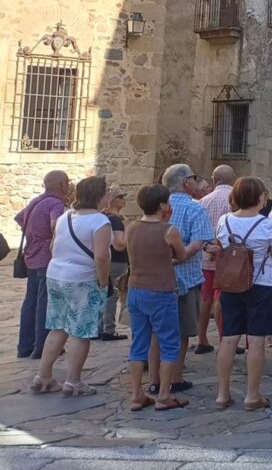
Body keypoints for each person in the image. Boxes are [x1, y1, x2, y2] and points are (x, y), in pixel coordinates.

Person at [29, 176, 114, 397]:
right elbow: (102, 256)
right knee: (81, 332)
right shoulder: (100, 222)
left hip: (56, 274)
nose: (110, 195)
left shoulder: (65, 216)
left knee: (57, 327)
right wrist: (104, 281)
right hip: (82, 278)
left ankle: (43, 376)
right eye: (107, 191)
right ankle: (73, 381)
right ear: (99, 195)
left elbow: (53, 244)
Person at [214, 177, 272, 410]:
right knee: (256, 341)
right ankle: (252, 395)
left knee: (228, 338)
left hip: (230, 284)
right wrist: (265, 272)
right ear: (260, 198)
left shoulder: (224, 221)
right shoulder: (267, 225)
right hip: (260, 285)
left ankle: (222, 393)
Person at [125, 185, 196, 411]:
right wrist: (193, 247)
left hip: (135, 289)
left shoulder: (131, 227)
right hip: (161, 291)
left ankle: (137, 394)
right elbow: (181, 255)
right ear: (163, 206)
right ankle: (164, 395)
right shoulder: (169, 230)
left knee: (139, 344)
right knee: (169, 343)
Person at [152, 164, 212, 395]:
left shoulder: (158, 207)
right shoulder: (195, 209)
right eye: (194, 178)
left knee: (158, 332)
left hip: (157, 278)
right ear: (187, 182)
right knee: (182, 333)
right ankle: (175, 378)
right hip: (185, 279)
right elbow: (200, 243)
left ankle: (156, 380)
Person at [16, 170, 70, 359]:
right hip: (46, 257)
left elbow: (19, 218)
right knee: (44, 302)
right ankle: (42, 347)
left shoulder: (35, 201)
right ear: (61, 185)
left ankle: (25, 346)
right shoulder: (55, 203)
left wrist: (33, 232)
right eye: (67, 183)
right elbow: (56, 224)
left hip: (31, 255)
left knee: (30, 301)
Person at [195, 164, 236, 354]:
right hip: (227, 258)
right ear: (233, 180)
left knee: (205, 298)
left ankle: (201, 337)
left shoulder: (203, 201)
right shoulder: (235, 200)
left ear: (214, 179)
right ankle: (224, 341)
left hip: (205, 257)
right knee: (221, 299)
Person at [97, 190, 129, 341]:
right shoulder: (115, 220)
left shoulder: (102, 218)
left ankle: (98, 327)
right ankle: (108, 329)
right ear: (112, 200)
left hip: (106, 259)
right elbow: (120, 245)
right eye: (121, 196)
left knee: (102, 293)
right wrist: (128, 230)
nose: (124, 199)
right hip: (116, 260)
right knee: (112, 294)